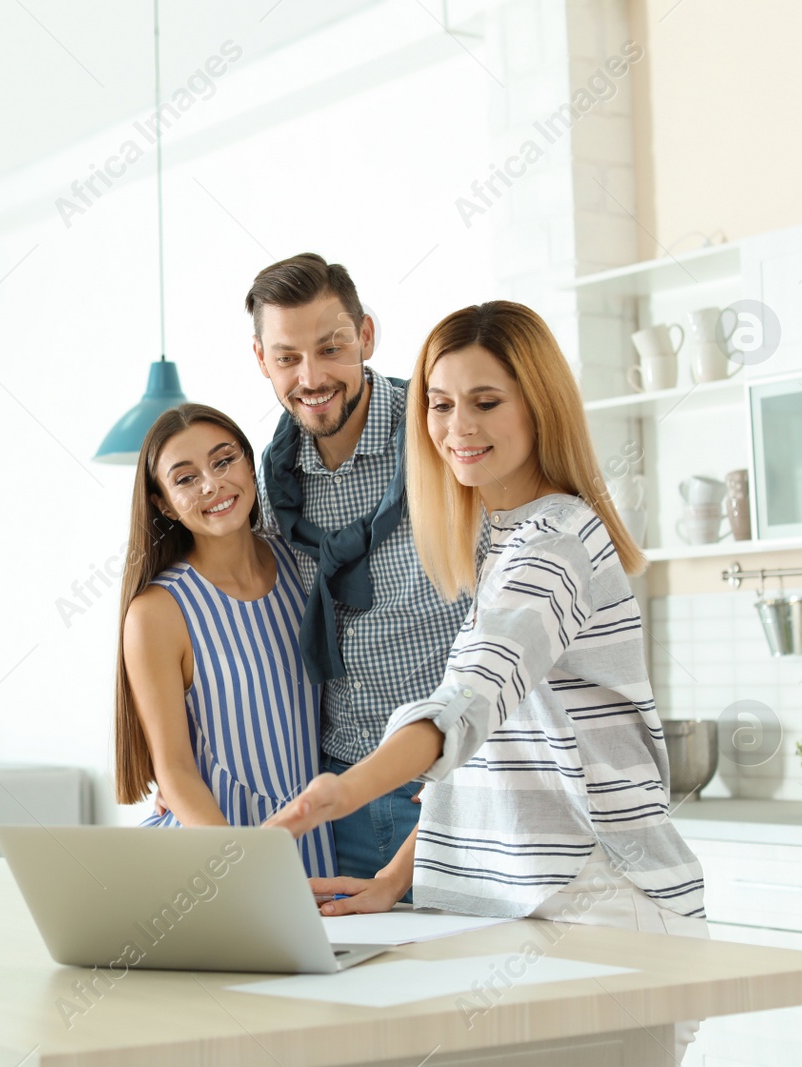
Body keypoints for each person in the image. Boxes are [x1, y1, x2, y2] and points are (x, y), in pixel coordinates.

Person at [266, 300, 707, 1052]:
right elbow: (488, 754)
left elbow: (470, 695)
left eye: (485, 402)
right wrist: (394, 879)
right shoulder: (499, 543)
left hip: (592, 912)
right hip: (513, 917)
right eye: (439, 404)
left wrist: (347, 787)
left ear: (539, 407)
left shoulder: (553, 542)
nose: (457, 427)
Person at [244, 253, 472, 899]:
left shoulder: (445, 437)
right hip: (336, 790)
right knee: (354, 992)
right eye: (287, 357)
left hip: (451, 783)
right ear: (261, 359)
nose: (310, 377)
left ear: (366, 336)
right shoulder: (272, 480)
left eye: (331, 348)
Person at [114, 403, 334, 878]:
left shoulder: (300, 561)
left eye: (223, 460)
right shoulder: (157, 611)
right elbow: (173, 770)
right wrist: (239, 865)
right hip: (214, 851)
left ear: (249, 464)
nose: (212, 485)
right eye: (186, 478)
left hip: (314, 836)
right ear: (163, 503)